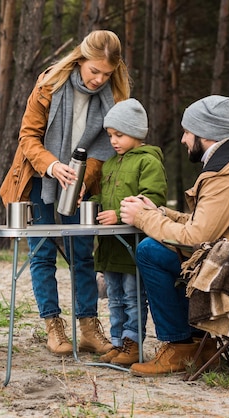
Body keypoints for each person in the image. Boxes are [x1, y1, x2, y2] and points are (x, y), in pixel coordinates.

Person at [119, 95, 229, 376]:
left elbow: (196, 237)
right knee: (164, 248)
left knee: (150, 251)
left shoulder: (226, 176)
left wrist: (143, 218)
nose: (183, 140)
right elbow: (209, 225)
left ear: (205, 134)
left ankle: (182, 345)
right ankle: (201, 345)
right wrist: (161, 212)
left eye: (187, 132)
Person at [0, 30, 131, 356]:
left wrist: (87, 178)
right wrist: (53, 166)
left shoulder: (114, 97)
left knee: (82, 253)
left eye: (106, 73)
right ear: (80, 60)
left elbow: (107, 148)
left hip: (81, 184)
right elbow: (28, 138)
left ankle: (88, 326)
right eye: (94, 71)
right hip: (39, 178)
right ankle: (53, 326)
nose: (99, 79)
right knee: (43, 253)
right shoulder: (49, 86)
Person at [92, 98, 167, 367]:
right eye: (110, 135)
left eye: (119, 135)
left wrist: (118, 214)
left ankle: (133, 344)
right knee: (114, 297)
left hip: (133, 245)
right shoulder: (111, 164)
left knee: (133, 297)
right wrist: (92, 201)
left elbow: (152, 199)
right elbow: (107, 194)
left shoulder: (148, 163)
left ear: (136, 132)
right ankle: (116, 342)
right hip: (110, 246)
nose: (113, 140)